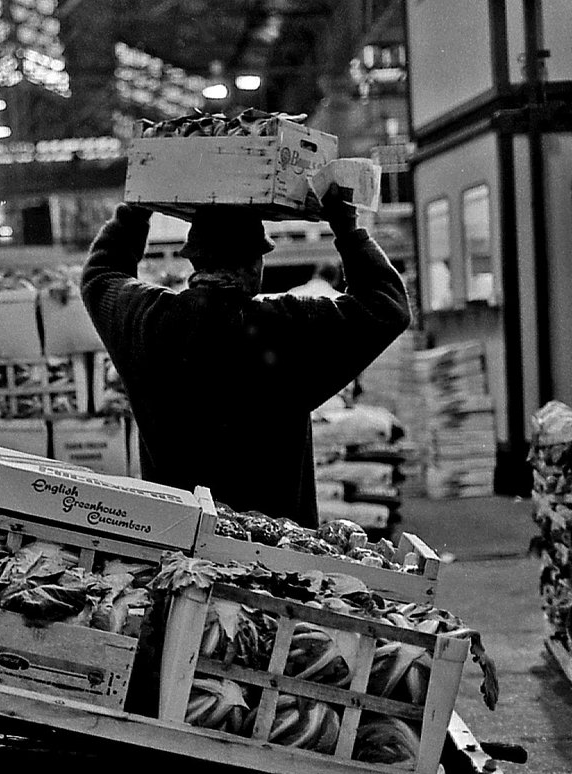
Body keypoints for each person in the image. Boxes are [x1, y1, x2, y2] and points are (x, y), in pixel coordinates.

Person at [80, 187, 410, 528]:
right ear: (256, 265)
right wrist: (347, 229)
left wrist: (136, 210)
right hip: (276, 551)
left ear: (194, 259)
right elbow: (387, 306)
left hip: (178, 543)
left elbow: (100, 276)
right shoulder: (287, 328)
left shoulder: (149, 322)